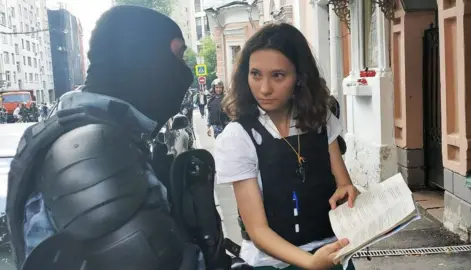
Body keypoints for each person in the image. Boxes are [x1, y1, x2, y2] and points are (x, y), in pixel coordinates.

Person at [7, 5, 230, 270]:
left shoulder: (83, 132)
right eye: (178, 56)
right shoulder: (92, 150)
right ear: (145, 58)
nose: (184, 73)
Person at [214, 23, 356, 269]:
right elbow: (257, 229)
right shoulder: (238, 136)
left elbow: (343, 184)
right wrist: (310, 263)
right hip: (273, 263)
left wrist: (349, 191)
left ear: (300, 77)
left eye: (278, 75)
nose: (264, 88)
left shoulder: (320, 120)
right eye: (255, 74)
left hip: (333, 252)